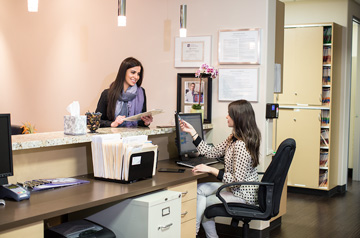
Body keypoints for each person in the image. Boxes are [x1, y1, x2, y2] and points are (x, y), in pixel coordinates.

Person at [179, 99, 261, 238]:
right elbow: (211, 152)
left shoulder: (241, 145)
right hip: (234, 188)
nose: (226, 116)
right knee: (199, 191)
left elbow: (237, 181)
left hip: (242, 193)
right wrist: (192, 132)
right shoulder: (233, 137)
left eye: (229, 114)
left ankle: (194, 233)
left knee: (205, 204)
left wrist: (211, 170)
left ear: (238, 117)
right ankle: (198, 232)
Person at [96, 57, 153, 127]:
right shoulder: (107, 94)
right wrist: (113, 123)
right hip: (114, 137)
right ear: (123, 72)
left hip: (134, 136)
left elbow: (140, 122)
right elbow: (96, 121)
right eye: (133, 72)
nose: (136, 77)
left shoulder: (141, 93)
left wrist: (146, 122)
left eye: (138, 74)